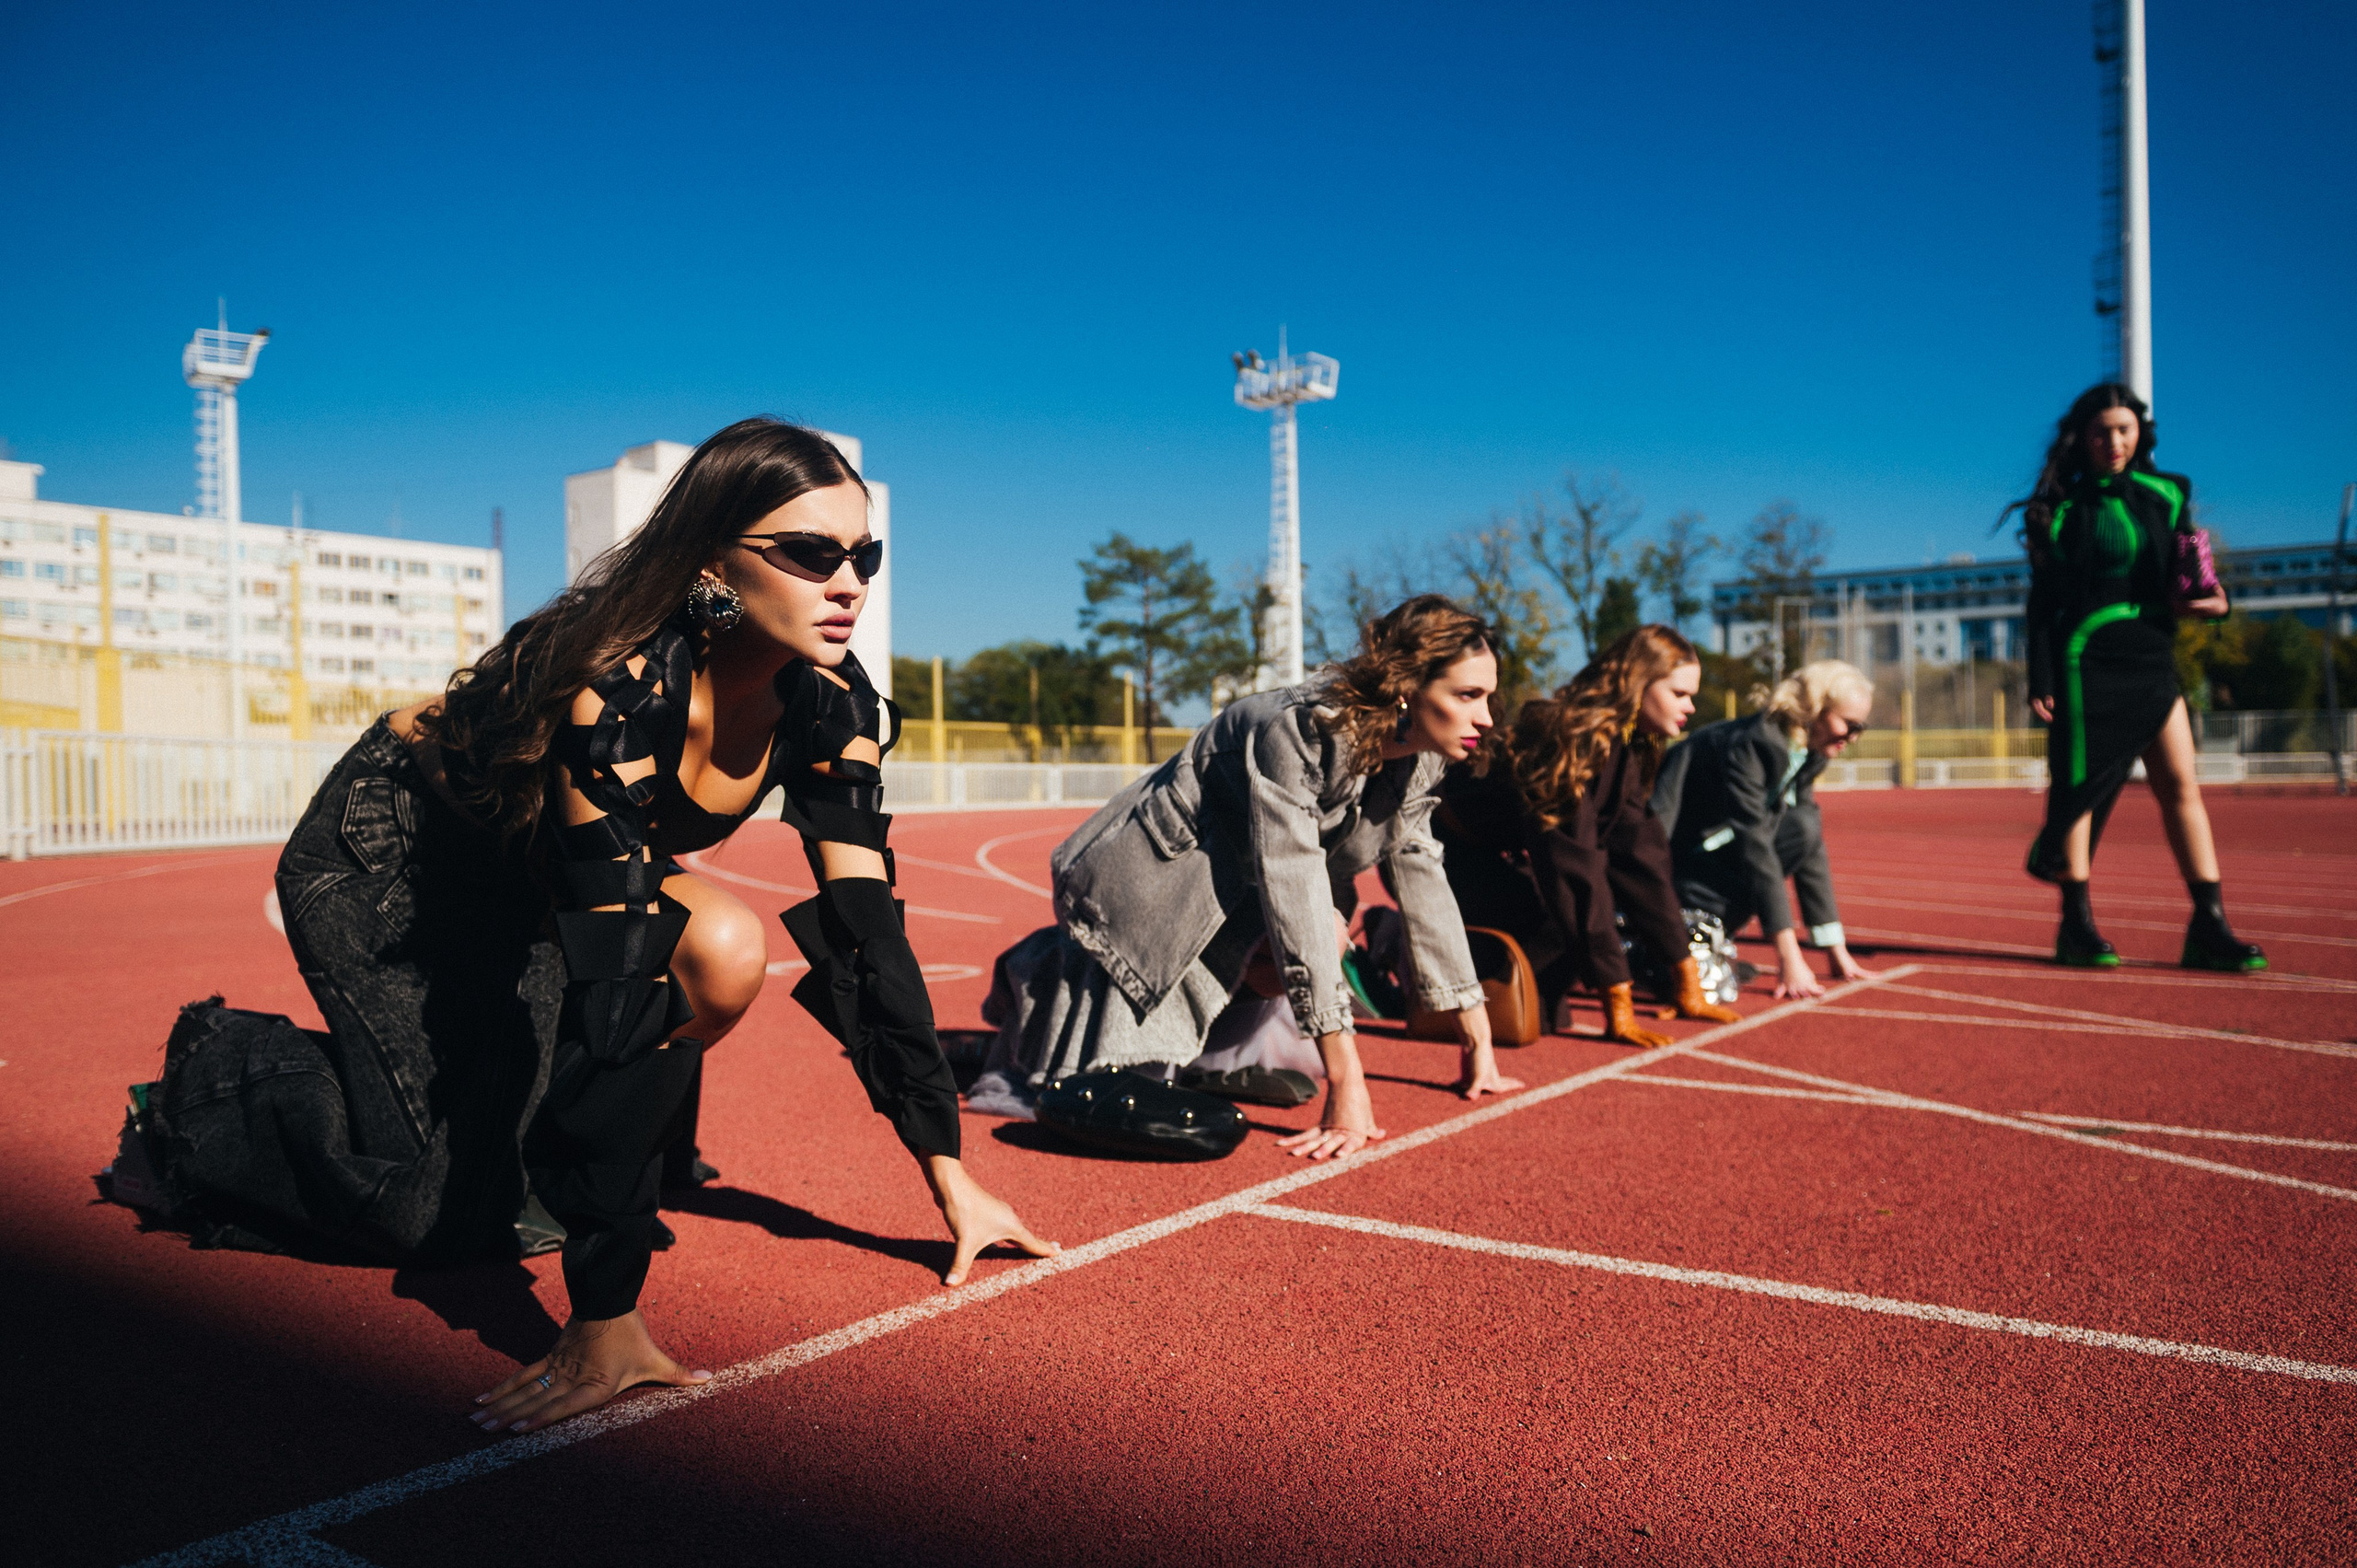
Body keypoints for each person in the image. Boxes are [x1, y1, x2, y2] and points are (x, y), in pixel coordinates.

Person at [265, 418, 1055, 1435]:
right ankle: (214, 1089)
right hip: (397, 856)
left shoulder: (831, 703)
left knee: (719, 959)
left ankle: (630, 1150)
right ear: (715, 563)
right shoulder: (621, 685)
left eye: (864, 554)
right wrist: (604, 1317)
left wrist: (949, 1169)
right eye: (812, 554)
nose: (849, 582)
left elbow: (863, 930)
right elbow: (618, 971)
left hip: (546, 872)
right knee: (442, 1212)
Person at [971, 595, 1518, 1160]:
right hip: (1153, 887)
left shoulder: (1422, 753)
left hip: (1239, 892)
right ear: (1406, 687)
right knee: (1078, 1069)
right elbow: (1296, 885)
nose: (1486, 718)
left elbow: (1422, 873)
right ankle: (1036, 971)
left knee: (1313, 938)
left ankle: (1196, 1056)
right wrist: (1347, 1083)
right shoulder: (1301, 728)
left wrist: (1477, 1041)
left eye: (1488, 696)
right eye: (1468, 696)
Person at [2010, 383, 2265, 970]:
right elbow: (2043, 602)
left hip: (2152, 651)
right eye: (2102, 432)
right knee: (2075, 791)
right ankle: (2076, 926)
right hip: (2086, 657)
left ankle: (2209, 924)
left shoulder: (2168, 493)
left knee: (2180, 783)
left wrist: (2215, 599)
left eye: (2124, 429)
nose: (2114, 442)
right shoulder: (2061, 509)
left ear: (2140, 433)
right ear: (2083, 438)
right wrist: (2040, 675)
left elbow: (2189, 567)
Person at [1434, 624, 1742, 1049]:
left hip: (1500, 852)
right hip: (1444, 851)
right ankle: (1402, 946)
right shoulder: (1570, 738)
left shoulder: (1631, 743)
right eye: (1679, 694)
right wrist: (1618, 1000)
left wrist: (1684, 974)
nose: (1690, 706)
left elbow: (1640, 859)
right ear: (1637, 685)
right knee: (1559, 925)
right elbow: (1572, 868)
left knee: (1550, 999)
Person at [1650, 659, 1875, 999]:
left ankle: (1708, 934)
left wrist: (1835, 949)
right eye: (1849, 724)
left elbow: (1809, 842)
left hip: (1713, 861)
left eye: (1861, 727)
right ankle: (1663, 942)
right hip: (1677, 863)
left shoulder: (1810, 751)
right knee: (1774, 844)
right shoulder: (1753, 743)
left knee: (1804, 826)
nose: (1854, 737)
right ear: (1814, 710)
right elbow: (1753, 841)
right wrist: (1788, 954)